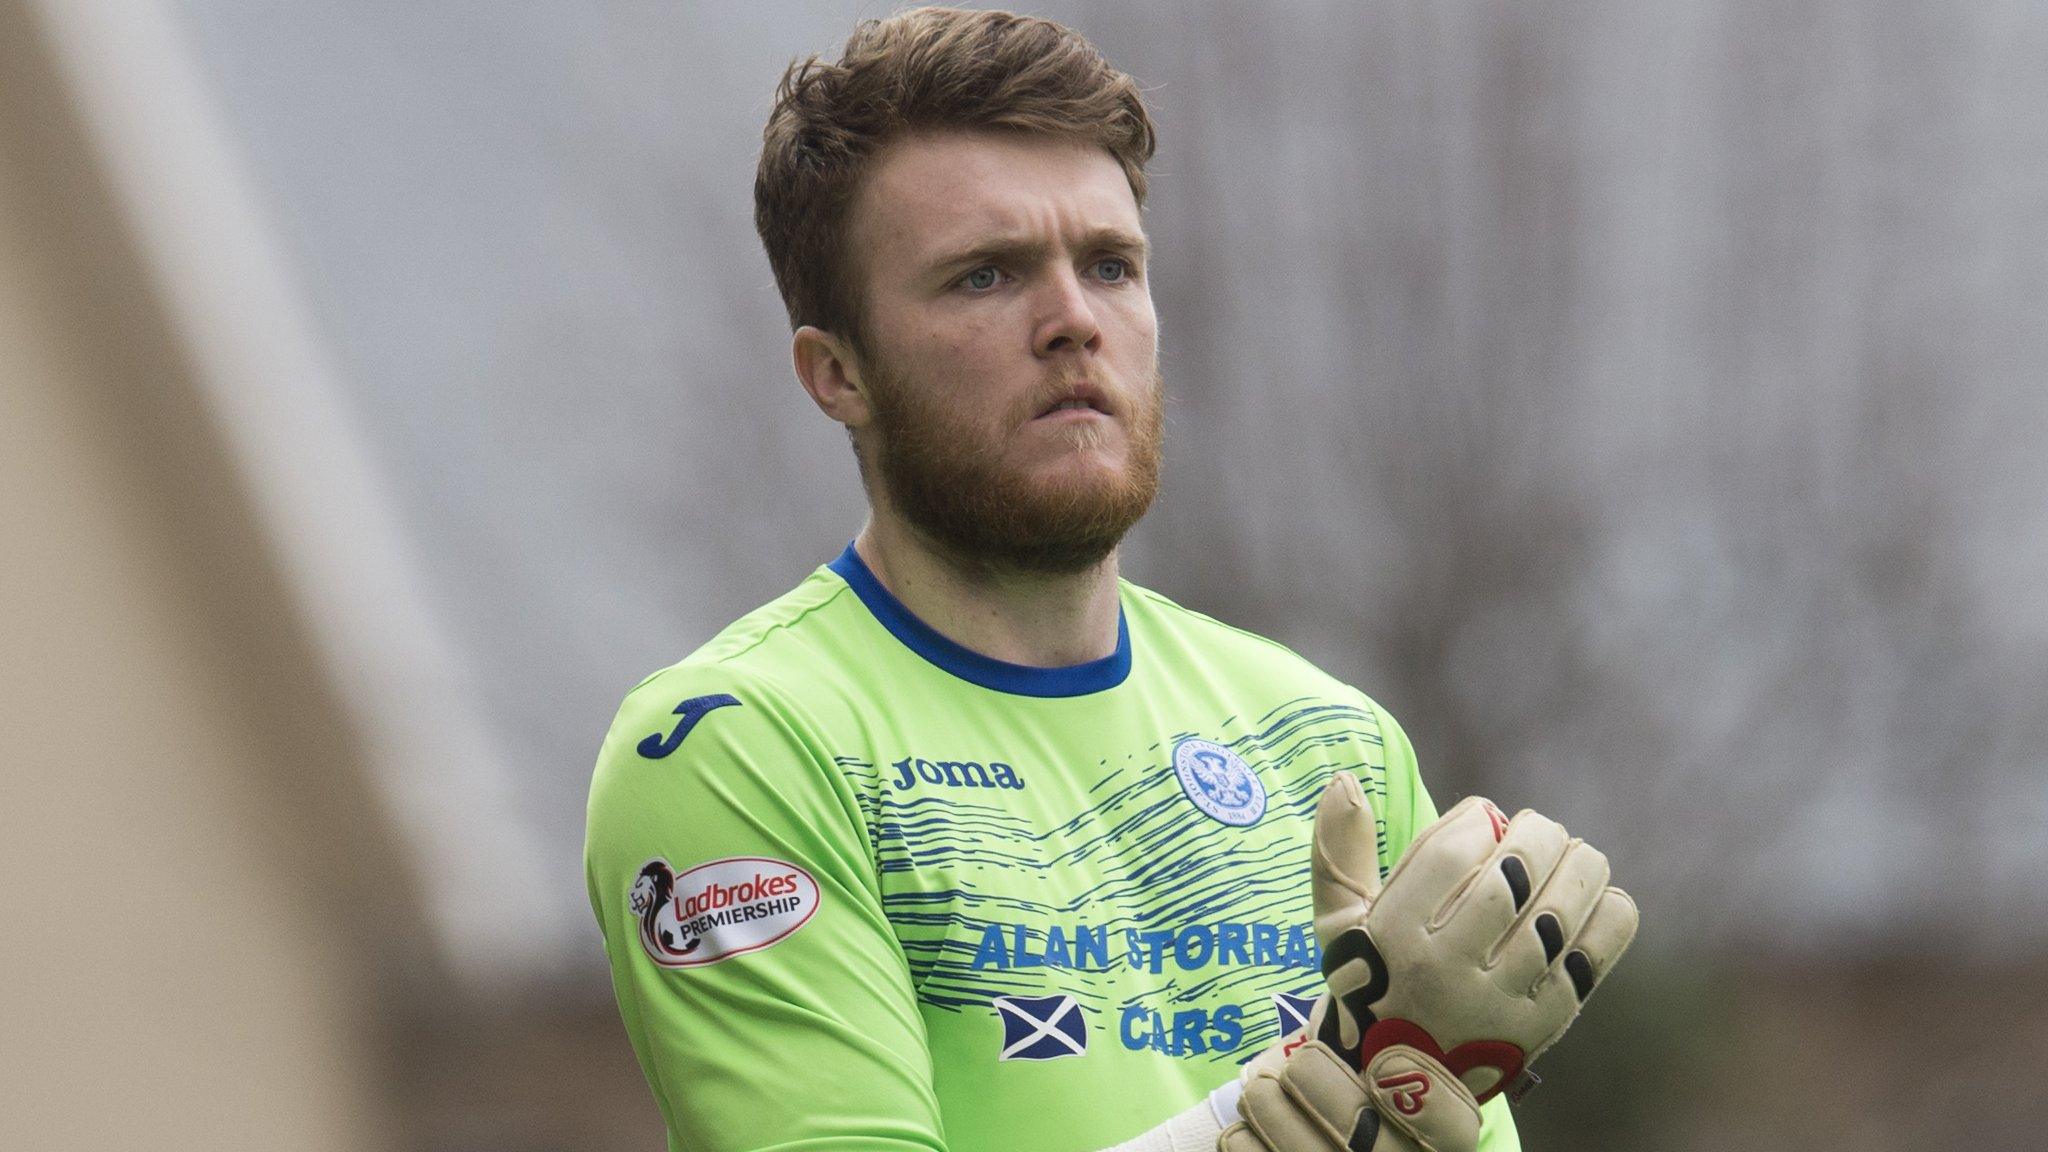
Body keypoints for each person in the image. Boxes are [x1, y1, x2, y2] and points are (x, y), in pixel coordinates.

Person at [585, 9, 1634, 1152]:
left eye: (1108, 265)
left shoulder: (1327, 741)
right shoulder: (735, 747)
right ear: (836, 373)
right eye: (983, 275)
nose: (1072, 321)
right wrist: (1267, 1114)